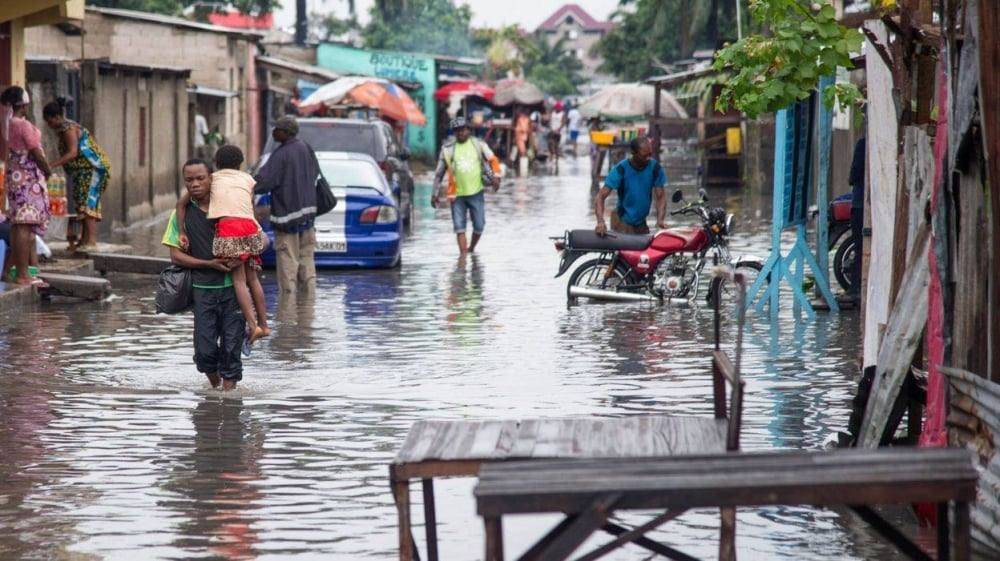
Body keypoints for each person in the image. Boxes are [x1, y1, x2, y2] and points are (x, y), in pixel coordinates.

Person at [162, 159, 245, 391]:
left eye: (201, 178)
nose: (195, 184)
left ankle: (228, 401)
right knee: (204, 352)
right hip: (202, 292)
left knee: (231, 350)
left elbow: (255, 239)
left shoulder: (230, 209)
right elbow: (176, 257)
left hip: (233, 291)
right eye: (189, 180)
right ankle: (215, 389)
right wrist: (209, 264)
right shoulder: (182, 215)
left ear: (212, 178)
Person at [177, 145, 269, 345]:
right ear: (240, 163)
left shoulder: (215, 179)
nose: (196, 183)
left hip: (231, 228)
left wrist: (182, 231)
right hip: (250, 227)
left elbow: (181, 203)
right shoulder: (247, 179)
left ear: (215, 166)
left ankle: (253, 326)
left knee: (239, 281)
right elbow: (248, 206)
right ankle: (265, 324)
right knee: (253, 279)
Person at [254, 115, 319, 294]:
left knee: (287, 262)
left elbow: (265, 182)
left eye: (276, 129)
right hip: (308, 217)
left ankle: (288, 312)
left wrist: (248, 186)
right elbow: (315, 174)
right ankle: (308, 304)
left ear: (285, 132)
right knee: (307, 258)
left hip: (287, 217)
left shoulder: (281, 154)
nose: (273, 132)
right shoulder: (306, 148)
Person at [42, 97, 112, 250]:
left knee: (88, 202)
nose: (49, 125)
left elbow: (73, 153)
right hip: (83, 170)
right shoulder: (64, 128)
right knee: (81, 202)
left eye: (49, 121)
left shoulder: (68, 129)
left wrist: (52, 164)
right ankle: (84, 240)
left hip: (93, 168)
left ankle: (91, 242)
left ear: (57, 117)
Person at [1, 86, 51, 286]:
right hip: (26, 181)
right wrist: (47, 170)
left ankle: (11, 272)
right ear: (24, 104)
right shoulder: (22, 125)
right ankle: (23, 274)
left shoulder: (9, 124)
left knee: (17, 225)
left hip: (15, 178)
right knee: (24, 225)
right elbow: (36, 152)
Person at [432, 117, 501, 255]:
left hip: (476, 192)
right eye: (457, 131)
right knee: (459, 227)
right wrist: (434, 194)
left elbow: (493, 159)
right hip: (456, 195)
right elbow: (439, 174)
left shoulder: (478, 145)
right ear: (454, 133)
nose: (460, 133)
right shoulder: (447, 150)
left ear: (469, 130)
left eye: (463, 129)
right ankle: (462, 259)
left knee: (480, 225)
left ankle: (471, 249)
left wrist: (496, 177)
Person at [594, 136, 667, 236]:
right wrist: (600, 222)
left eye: (650, 154)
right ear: (633, 153)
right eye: (644, 156)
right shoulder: (621, 169)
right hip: (622, 221)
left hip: (641, 222)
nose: (648, 158)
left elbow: (661, 196)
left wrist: (660, 220)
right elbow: (600, 196)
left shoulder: (655, 168)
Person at [848, 135, 866, 298]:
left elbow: (853, 176)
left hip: (860, 205)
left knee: (859, 248)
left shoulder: (863, 144)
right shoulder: (865, 144)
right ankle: (855, 289)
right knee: (861, 248)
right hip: (862, 204)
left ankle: (855, 289)